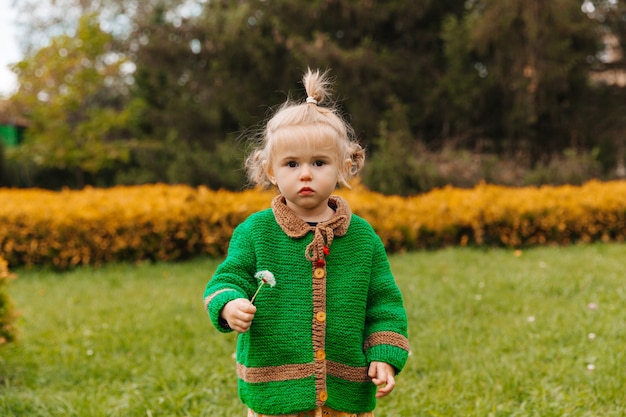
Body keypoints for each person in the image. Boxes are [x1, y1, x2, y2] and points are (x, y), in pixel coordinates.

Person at [203, 68, 410, 417]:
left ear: (344, 167)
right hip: (275, 390)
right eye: (291, 163)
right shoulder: (255, 232)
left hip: (345, 390)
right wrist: (228, 304)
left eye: (319, 162)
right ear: (270, 170)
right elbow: (226, 279)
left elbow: (384, 304)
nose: (305, 174)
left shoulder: (362, 238)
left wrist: (384, 356)